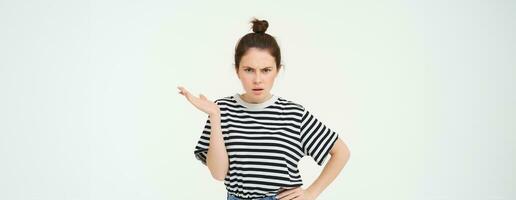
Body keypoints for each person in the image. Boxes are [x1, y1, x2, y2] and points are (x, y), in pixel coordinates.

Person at [177, 18, 350, 200]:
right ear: (237, 71)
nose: (258, 79)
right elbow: (219, 174)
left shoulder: (294, 114)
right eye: (249, 70)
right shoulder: (221, 109)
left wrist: (311, 193)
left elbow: (341, 152)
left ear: (277, 70)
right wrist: (214, 116)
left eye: (266, 70)